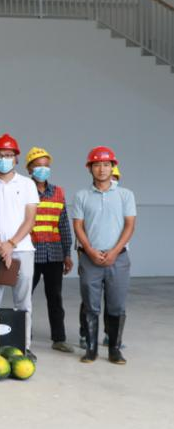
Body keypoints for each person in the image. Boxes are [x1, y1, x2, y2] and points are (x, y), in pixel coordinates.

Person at [0, 134, 39, 358]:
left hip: (22, 250)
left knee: (23, 300)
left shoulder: (27, 184)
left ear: (16, 158)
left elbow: (30, 219)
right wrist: (0, 245)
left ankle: (24, 345)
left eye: (9, 155)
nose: (4, 159)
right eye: (0, 155)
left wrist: (11, 244)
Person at [73, 146, 136, 365]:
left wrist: (115, 251)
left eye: (106, 165)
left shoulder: (125, 195)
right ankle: (91, 349)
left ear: (113, 167)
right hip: (90, 258)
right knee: (90, 304)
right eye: (97, 165)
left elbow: (130, 225)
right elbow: (78, 226)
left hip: (118, 258)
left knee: (116, 304)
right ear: (89, 168)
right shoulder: (81, 196)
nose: (102, 169)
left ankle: (114, 349)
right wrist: (89, 250)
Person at [25, 147, 75, 353]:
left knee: (55, 297)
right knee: (25, 297)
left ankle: (59, 338)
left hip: (54, 253)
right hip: (30, 252)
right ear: (29, 169)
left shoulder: (58, 192)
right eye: (38, 166)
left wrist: (67, 254)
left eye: (46, 166)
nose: (42, 169)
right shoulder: (24, 191)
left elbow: (63, 225)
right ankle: (24, 336)